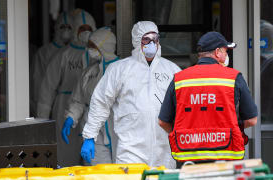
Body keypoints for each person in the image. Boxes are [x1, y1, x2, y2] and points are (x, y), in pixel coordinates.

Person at [81, 21, 181, 168]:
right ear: (137, 40)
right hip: (131, 150)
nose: (152, 43)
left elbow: (184, 106)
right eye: (147, 39)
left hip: (165, 149)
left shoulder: (172, 70)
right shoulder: (120, 70)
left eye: (155, 39)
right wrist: (89, 135)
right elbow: (101, 102)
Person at [158, 31, 257, 166]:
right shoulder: (233, 78)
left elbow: (163, 122)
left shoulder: (179, 79)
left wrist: (183, 134)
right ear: (217, 52)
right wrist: (232, 128)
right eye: (225, 51)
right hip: (225, 158)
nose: (227, 55)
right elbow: (251, 120)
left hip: (188, 159)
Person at [36, 9, 96, 167]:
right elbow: (47, 89)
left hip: (91, 109)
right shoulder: (63, 55)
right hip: (64, 106)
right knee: (66, 154)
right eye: (82, 29)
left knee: (90, 157)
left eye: (89, 29)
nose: (85, 33)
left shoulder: (95, 55)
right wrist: (42, 120)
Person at [62, 27, 119, 165]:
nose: (88, 49)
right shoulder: (90, 72)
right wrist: (71, 117)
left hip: (119, 132)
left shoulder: (122, 69)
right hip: (94, 135)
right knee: (99, 175)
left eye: (92, 46)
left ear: (103, 46)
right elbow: (78, 100)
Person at [31, 12, 73, 117]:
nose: (66, 30)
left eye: (69, 27)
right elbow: (37, 83)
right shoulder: (44, 52)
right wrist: (41, 110)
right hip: (53, 105)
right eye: (62, 26)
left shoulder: (78, 53)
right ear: (56, 28)